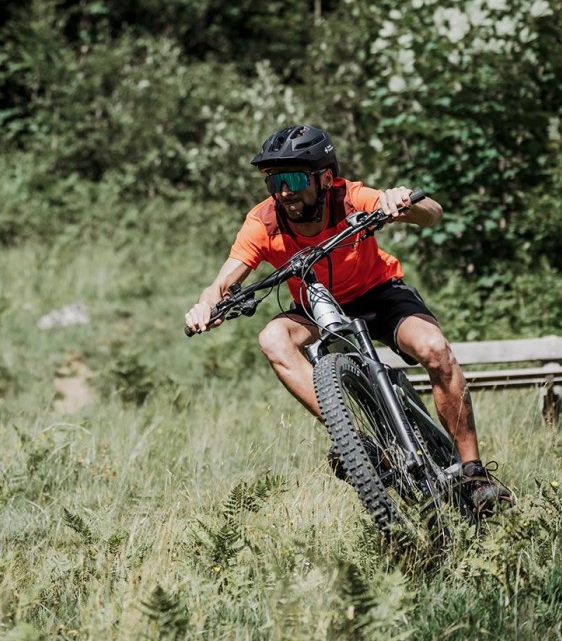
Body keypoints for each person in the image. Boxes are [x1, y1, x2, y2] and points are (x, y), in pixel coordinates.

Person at [185, 124, 513, 515]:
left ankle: (474, 475)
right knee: (273, 337)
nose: (284, 191)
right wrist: (206, 305)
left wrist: (403, 201)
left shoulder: (351, 197)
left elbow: (433, 215)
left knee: (435, 349)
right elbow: (222, 282)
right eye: (274, 181)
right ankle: (355, 442)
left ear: (324, 177)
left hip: (379, 295)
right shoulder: (263, 221)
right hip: (317, 307)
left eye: (293, 178)